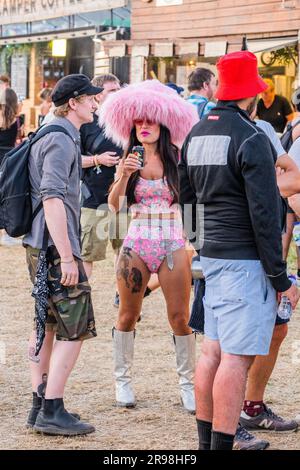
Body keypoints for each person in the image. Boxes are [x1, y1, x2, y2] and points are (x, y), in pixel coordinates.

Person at [179, 51, 299, 450]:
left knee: (211, 352)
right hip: (244, 261)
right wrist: (280, 278)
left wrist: (199, 243)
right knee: (235, 357)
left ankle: (205, 443)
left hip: (212, 257)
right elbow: (265, 215)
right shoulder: (251, 137)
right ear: (251, 95)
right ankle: (223, 445)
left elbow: (186, 199)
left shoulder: (197, 133)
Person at [101, 79, 199, 413]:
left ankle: (188, 385)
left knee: (179, 317)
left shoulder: (177, 159)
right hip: (137, 243)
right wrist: (125, 175)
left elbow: (190, 202)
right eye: (139, 122)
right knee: (128, 314)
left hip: (172, 242)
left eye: (150, 121)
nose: (144, 126)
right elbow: (114, 207)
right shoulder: (128, 159)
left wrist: (195, 241)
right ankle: (122, 381)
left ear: (162, 125)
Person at [23, 74, 102, 436]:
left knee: (48, 323)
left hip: (41, 243)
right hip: (56, 247)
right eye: (90, 99)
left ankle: (40, 405)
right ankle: (52, 407)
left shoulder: (53, 132)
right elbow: (52, 197)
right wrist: (69, 258)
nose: (96, 104)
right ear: (73, 102)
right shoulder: (59, 139)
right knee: (75, 327)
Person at [80, 73, 123, 309]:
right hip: (94, 198)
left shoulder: (127, 120)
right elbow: (71, 159)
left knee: (124, 251)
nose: (118, 94)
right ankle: (81, 299)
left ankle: (123, 295)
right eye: (112, 91)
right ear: (98, 95)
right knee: (89, 254)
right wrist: (97, 159)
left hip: (124, 197)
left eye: (119, 89)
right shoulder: (86, 123)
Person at [0, 87, 21, 247]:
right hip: (8, 160)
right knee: (7, 195)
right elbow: (16, 141)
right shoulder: (16, 119)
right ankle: (6, 233)